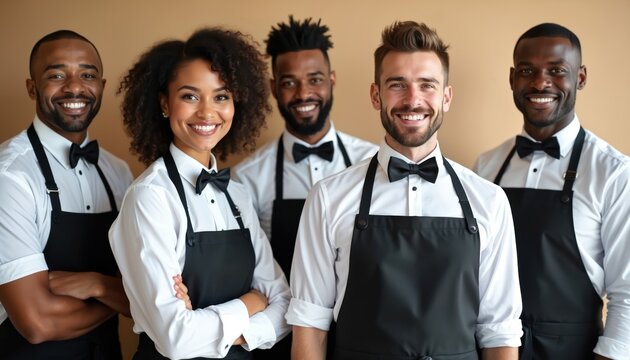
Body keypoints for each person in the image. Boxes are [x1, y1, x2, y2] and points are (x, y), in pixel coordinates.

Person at [287, 21, 523, 360]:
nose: (413, 100)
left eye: (427, 85)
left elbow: (499, 330)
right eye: (397, 85)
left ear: (446, 97)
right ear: (375, 95)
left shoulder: (489, 201)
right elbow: (310, 324)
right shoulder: (328, 197)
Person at [110, 27, 291, 360]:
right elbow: (176, 339)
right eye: (190, 96)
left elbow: (284, 304)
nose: (208, 112)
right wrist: (251, 303)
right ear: (165, 102)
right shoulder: (150, 198)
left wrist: (223, 330)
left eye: (221, 96)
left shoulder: (237, 194)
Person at [475, 23, 630, 360]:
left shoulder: (614, 173)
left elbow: (628, 294)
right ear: (512, 79)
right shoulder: (485, 168)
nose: (540, 82)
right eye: (527, 71)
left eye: (557, 71)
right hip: (490, 348)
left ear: (581, 77)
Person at [0, 30, 133, 359]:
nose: (75, 87)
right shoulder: (10, 178)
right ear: (32, 87)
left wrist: (97, 285)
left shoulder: (119, 174)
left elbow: (150, 289)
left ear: (101, 85)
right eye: (57, 75)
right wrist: (124, 297)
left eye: (87, 75)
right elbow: (37, 323)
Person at [232, 15, 377, 281]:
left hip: (361, 320)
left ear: (331, 80)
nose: (303, 94)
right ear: (273, 88)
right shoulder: (247, 177)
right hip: (285, 319)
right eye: (289, 83)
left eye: (315, 79)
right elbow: (248, 270)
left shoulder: (373, 161)